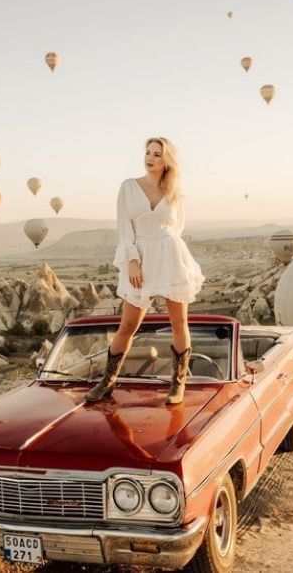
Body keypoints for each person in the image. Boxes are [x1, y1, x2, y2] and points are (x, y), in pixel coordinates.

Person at [86, 137, 205, 405]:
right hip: (140, 257)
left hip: (169, 255)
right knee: (128, 324)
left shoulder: (175, 193)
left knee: (179, 323)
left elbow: (177, 228)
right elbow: (124, 226)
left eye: (157, 154)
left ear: (167, 161)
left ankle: (177, 384)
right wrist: (132, 259)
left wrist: (165, 248)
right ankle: (107, 381)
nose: (150, 158)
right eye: (148, 153)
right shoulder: (129, 187)